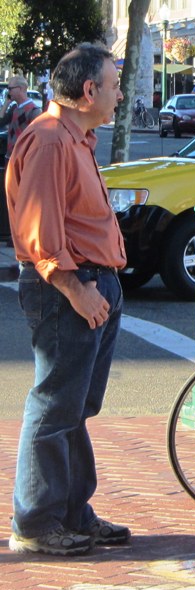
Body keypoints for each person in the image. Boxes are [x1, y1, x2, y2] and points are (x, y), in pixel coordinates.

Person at [6, 43, 129, 556]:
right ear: (88, 91)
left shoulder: (75, 137)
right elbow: (40, 233)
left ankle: (72, 512)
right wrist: (76, 289)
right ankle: (36, 523)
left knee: (74, 407)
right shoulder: (53, 140)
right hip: (72, 289)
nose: (120, 94)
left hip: (94, 283)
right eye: (114, 84)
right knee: (55, 405)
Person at [0, 75, 43, 162]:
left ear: (20, 89)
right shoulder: (14, 108)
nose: (8, 92)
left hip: (23, 160)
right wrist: (6, 104)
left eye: (10, 88)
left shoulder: (34, 111)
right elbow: (1, 122)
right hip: (10, 157)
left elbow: (37, 139)